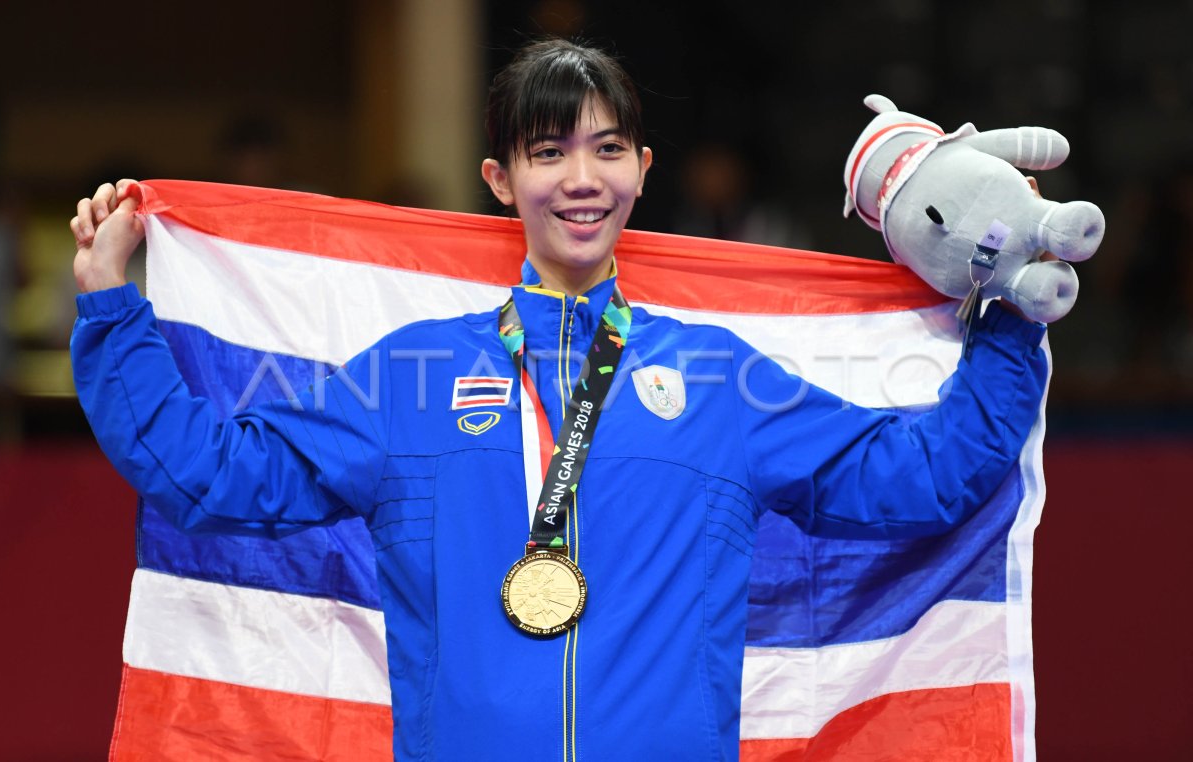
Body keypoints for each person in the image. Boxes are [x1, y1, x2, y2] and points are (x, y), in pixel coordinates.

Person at [69, 39, 1048, 761]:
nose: (581, 179)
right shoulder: (409, 380)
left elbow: (920, 478)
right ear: (502, 179)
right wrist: (112, 304)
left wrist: (1008, 316)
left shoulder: (719, 381)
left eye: (607, 149)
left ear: (641, 172)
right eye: (549, 153)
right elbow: (210, 474)